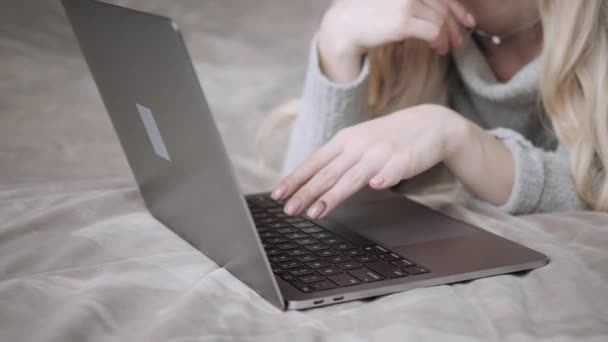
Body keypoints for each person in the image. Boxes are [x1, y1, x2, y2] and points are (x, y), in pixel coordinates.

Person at [271, 0, 608, 219]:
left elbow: (593, 190)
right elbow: (304, 208)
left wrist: (457, 138)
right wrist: (336, 44)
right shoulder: (406, 21)